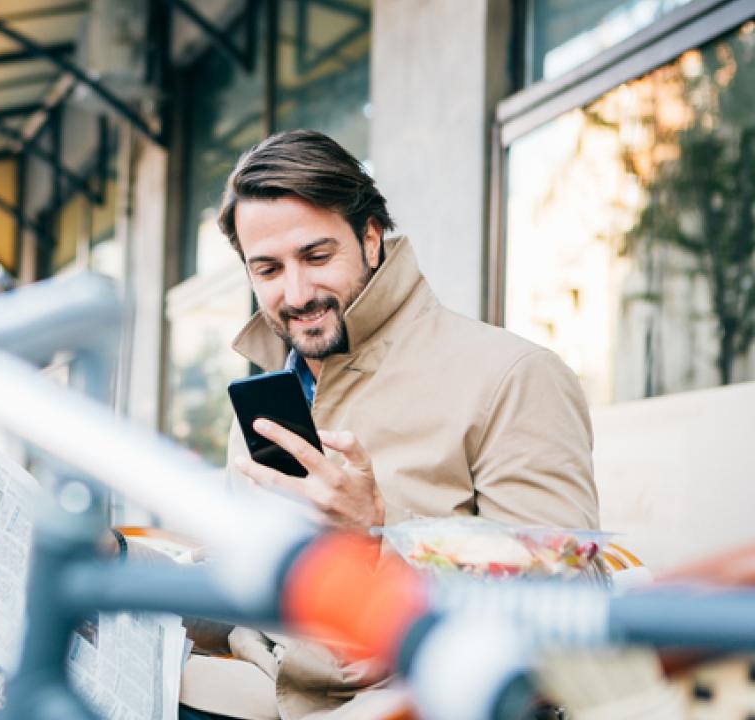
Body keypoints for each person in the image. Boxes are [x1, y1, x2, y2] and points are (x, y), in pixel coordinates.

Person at [179, 130, 600, 720]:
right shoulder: (265, 400)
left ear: (371, 238)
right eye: (268, 269)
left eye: (317, 257)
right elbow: (242, 587)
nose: (296, 293)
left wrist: (376, 541)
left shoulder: (512, 375)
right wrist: (116, 559)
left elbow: (570, 604)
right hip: (253, 690)